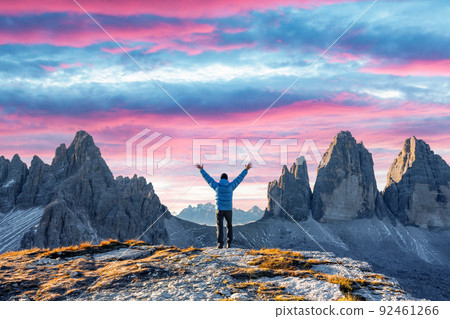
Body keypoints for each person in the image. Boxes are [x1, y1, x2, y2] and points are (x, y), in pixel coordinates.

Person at [196, 162, 252, 249]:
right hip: (228, 209)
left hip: (219, 209)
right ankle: (229, 244)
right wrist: (246, 170)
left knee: (219, 227)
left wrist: (201, 170)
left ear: (220, 179)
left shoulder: (217, 186)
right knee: (229, 226)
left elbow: (208, 179)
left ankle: (220, 244)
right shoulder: (231, 186)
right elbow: (239, 178)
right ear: (227, 179)